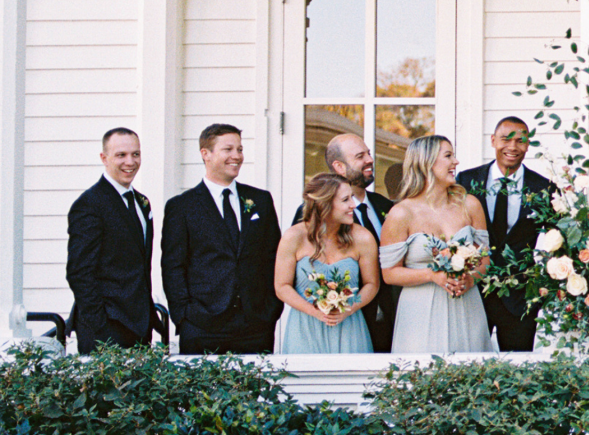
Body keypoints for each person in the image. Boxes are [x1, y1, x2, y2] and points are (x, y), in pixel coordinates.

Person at [160, 123, 282, 354]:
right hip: (202, 325)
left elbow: (272, 257)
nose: (237, 156)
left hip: (256, 324)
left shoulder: (261, 200)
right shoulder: (182, 207)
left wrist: (271, 310)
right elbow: (173, 266)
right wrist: (184, 316)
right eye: (228, 149)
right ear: (205, 154)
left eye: (240, 149)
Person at [378, 134, 492, 355]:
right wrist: (432, 275)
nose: (455, 162)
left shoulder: (470, 205)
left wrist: (469, 279)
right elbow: (389, 274)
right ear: (426, 163)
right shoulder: (401, 213)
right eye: (448, 156)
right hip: (420, 311)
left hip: (467, 305)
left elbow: (485, 260)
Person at [456, 116, 555, 352]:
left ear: (528, 145)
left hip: (520, 297)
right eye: (505, 139)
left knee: (519, 366)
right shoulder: (466, 181)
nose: (513, 147)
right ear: (493, 140)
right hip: (473, 290)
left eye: (520, 141)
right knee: (468, 363)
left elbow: (557, 241)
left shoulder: (544, 188)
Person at [66, 126, 155, 353]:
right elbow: (79, 271)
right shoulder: (89, 204)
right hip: (106, 328)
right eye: (121, 155)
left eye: (135, 154)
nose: (130, 162)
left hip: (139, 326)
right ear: (104, 158)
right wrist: (100, 325)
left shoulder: (141, 202)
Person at [275, 173, 379, 355]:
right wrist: (315, 311)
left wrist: (349, 309)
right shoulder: (294, 237)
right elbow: (282, 287)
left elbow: (372, 284)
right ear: (325, 204)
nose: (353, 205)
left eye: (352, 198)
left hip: (349, 327)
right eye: (345, 200)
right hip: (305, 329)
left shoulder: (363, 237)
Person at [327, 133, 398, 351]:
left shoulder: (386, 206)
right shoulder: (319, 213)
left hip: (393, 321)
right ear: (339, 167)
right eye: (360, 156)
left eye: (368, 153)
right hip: (347, 322)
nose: (370, 160)